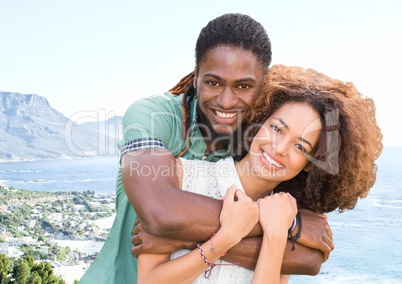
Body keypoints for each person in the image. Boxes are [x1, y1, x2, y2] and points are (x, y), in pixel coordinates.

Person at [79, 14, 332, 284]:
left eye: (244, 86)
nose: (226, 101)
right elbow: (160, 213)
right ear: (196, 76)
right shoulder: (153, 116)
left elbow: (306, 259)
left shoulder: (256, 137)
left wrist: (192, 237)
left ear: (263, 88)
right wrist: (285, 225)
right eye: (213, 82)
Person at [133, 64, 383, 283]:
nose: (279, 148)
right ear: (258, 123)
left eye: (300, 146)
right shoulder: (182, 176)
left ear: (310, 164)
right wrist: (223, 240)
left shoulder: (290, 217)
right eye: (276, 128)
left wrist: (275, 233)